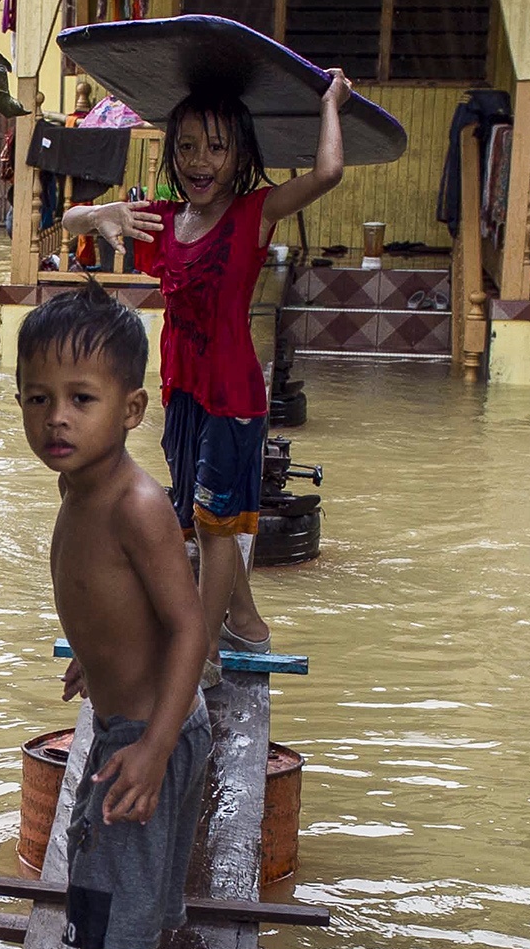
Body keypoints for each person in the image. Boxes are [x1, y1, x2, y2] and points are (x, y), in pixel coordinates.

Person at [0, 286, 215, 949]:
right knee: (118, 879)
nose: (57, 419)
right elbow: (121, 605)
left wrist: (157, 746)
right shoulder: (77, 488)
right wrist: (96, 648)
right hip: (128, 720)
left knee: (109, 896)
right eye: (37, 398)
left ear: (130, 409)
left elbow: (191, 622)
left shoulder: (134, 503)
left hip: (148, 733)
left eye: (81, 401)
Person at [52, 71, 348, 665]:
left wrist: (330, 104)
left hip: (232, 396)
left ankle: (204, 652)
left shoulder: (254, 213)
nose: (199, 160)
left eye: (216, 146)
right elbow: (69, 222)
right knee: (195, 512)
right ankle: (245, 621)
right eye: (186, 146)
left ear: (240, 155)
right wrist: (105, 214)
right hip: (182, 389)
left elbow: (328, 174)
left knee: (218, 526)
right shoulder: (164, 220)